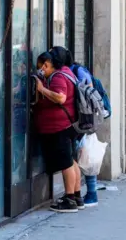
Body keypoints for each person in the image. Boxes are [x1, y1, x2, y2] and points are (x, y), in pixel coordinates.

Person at [49, 46, 101, 207]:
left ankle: (86, 194)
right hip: (79, 119)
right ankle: (79, 195)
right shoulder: (70, 71)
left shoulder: (72, 72)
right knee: (76, 157)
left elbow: (88, 93)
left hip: (82, 119)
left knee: (81, 155)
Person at [34, 51, 83, 213]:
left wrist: (41, 89)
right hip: (68, 125)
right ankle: (76, 196)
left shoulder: (58, 77)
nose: (39, 70)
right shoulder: (67, 72)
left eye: (40, 67)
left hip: (59, 127)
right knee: (71, 161)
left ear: (46, 65)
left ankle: (69, 199)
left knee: (66, 163)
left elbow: (60, 98)